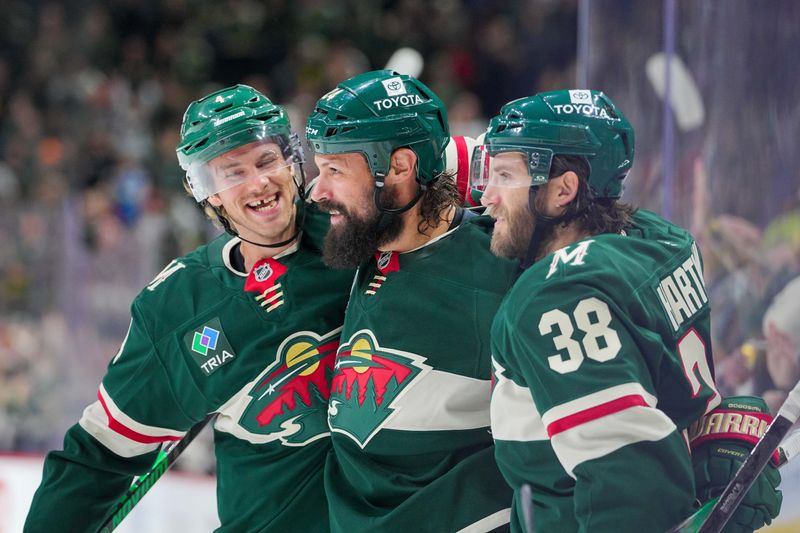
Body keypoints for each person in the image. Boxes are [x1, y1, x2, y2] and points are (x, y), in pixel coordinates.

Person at [25, 85, 353, 532]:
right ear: (206, 192)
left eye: (266, 161)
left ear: (291, 161)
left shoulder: (355, 228)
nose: (258, 183)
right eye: (232, 172)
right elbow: (99, 454)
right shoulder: (179, 308)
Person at [474, 90, 782, 532]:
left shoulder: (551, 299)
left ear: (563, 189)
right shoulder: (663, 240)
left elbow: (627, 477)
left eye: (505, 175)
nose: (488, 196)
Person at [305, 70, 517, 532]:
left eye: (334, 170)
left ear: (399, 168)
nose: (317, 192)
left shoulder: (504, 272)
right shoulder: (366, 235)